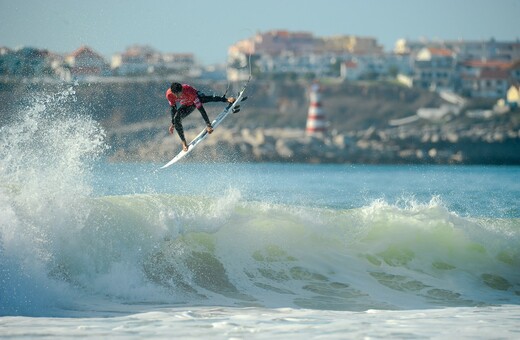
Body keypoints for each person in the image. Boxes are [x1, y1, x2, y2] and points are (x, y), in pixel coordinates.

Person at [166, 82, 235, 151]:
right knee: (176, 119)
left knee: (203, 98)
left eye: (180, 93)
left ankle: (226, 99)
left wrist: (208, 125)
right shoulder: (169, 95)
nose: (179, 96)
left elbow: (201, 109)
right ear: (173, 92)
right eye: (177, 94)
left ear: (182, 90)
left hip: (196, 96)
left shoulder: (189, 91)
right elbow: (173, 109)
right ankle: (184, 143)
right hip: (187, 105)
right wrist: (173, 124)